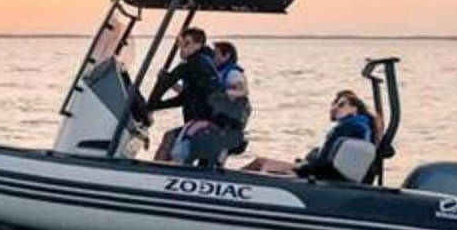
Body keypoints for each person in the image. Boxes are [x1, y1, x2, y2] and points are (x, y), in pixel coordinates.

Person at [243, 90, 380, 179]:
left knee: (261, 163)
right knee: (263, 163)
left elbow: (325, 162)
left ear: (354, 108)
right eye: (334, 105)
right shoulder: (364, 127)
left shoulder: (349, 126)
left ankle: (233, 180)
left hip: (321, 174)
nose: (336, 108)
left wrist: (303, 166)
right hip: (326, 172)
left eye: (341, 104)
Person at [148, 27, 223, 161]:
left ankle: (155, 171)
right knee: (176, 143)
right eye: (180, 44)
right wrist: (157, 106)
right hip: (209, 125)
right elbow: (184, 98)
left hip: (202, 125)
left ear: (199, 45)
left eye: (187, 44)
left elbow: (165, 84)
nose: (182, 48)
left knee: (171, 140)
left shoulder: (193, 64)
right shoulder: (203, 62)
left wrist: (149, 107)